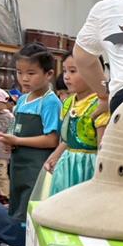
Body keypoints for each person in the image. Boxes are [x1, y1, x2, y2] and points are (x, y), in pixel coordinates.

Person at [0, 43, 61, 222]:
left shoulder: (50, 102)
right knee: (17, 203)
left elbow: (52, 139)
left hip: (37, 165)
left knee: (31, 206)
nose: (24, 78)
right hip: (18, 164)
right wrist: (8, 141)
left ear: (48, 74)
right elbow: (16, 128)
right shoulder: (22, 100)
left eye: (31, 73)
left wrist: (17, 140)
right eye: (19, 72)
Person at [44, 54, 110, 196]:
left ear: (94, 72)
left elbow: (103, 147)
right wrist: (55, 155)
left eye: (73, 71)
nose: (66, 77)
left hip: (88, 166)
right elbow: (67, 139)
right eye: (65, 71)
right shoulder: (68, 102)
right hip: (67, 165)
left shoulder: (100, 105)